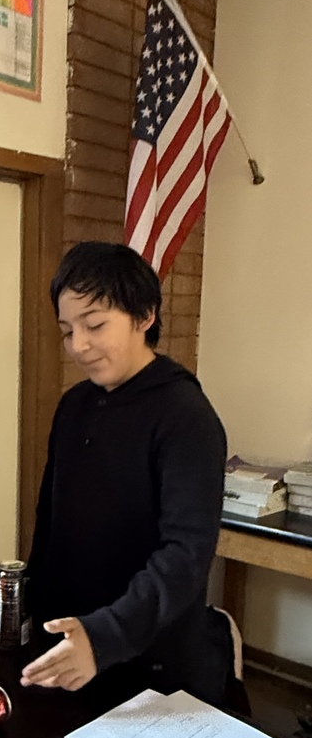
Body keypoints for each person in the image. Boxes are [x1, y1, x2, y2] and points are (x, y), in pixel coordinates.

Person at [22, 242, 247, 713]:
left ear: (144, 315)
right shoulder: (74, 406)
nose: (79, 345)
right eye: (67, 330)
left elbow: (185, 556)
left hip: (150, 666)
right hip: (72, 651)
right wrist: (33, 614)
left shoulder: (185, 416)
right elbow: (53, 524)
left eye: (96, 324)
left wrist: (104, 637)